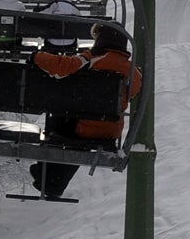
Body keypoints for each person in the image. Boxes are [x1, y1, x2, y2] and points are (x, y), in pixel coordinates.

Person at [30, 22, 142, 200]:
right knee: (74, 138)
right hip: (110, 131)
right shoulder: (131, 70)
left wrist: (37, 56)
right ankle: (51, 181)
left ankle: (50, 178)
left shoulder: (92, 59)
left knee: (60, 123)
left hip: (81, 127)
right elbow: (134, 92)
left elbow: (62, 66)